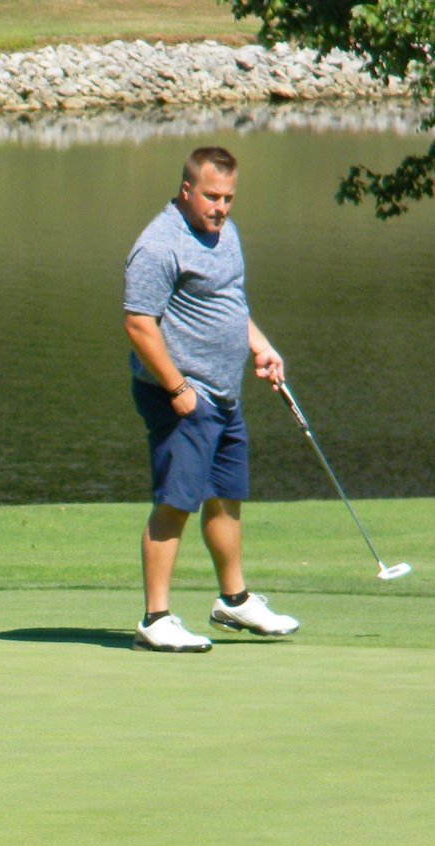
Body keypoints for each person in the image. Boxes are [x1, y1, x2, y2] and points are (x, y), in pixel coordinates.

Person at [123, 144, 300, 653]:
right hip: (180, 395)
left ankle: (234, 600)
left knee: (225, 495)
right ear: (187, 190)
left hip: (224, 394)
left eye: (228, 198)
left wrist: (260, 345)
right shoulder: (160, 245)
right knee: (175, 502)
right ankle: (155, 619)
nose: (220, 207)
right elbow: (138, 324)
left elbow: (228, 303)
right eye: (211, 197)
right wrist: (178, 390)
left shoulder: (225, 234)